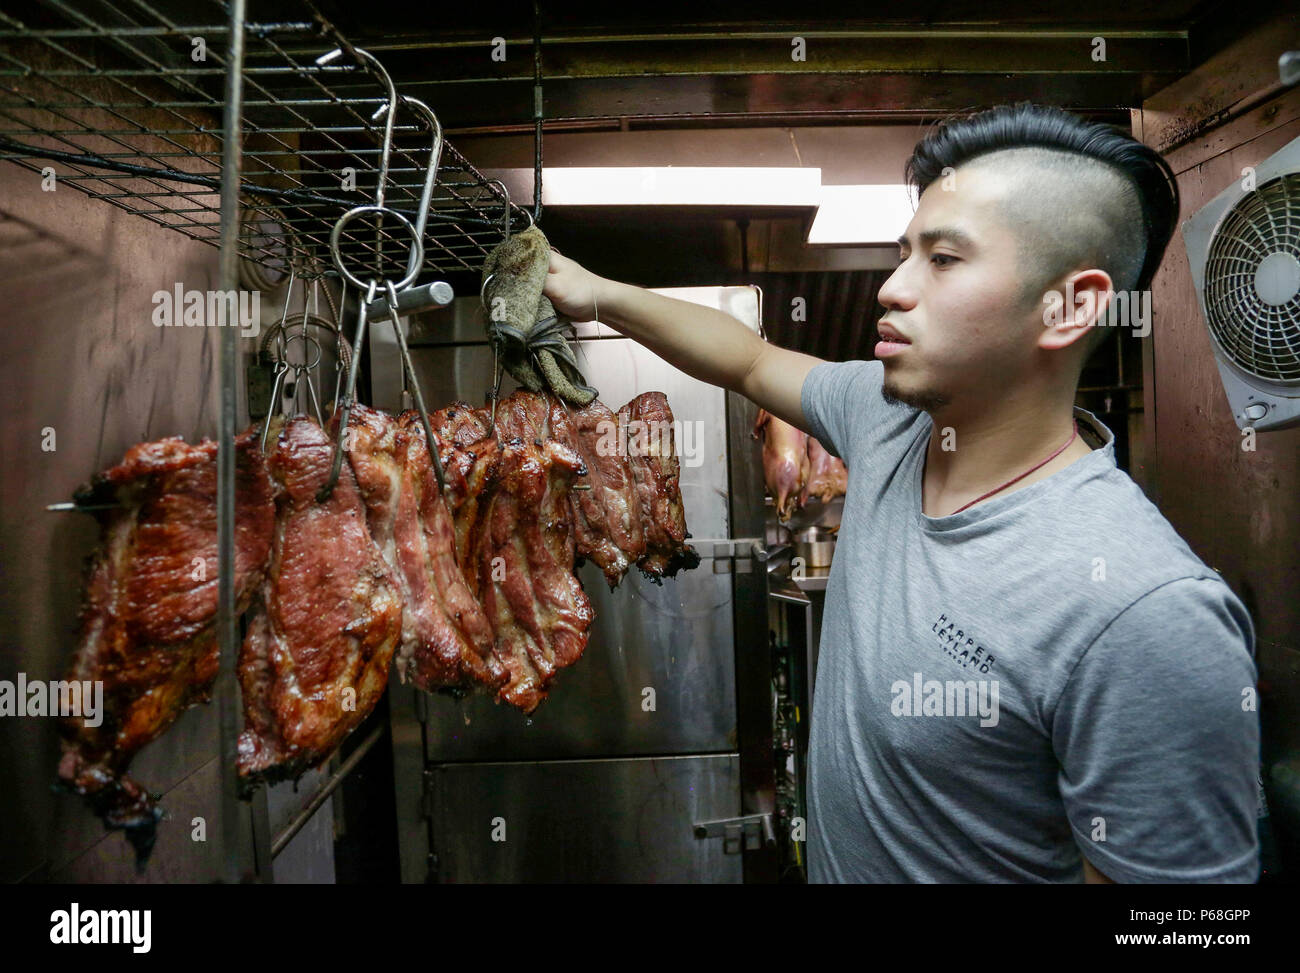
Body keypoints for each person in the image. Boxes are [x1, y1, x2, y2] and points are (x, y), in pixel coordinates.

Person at [541, 101, 1260, 883]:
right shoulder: (888, 421)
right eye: (903, 253)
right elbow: (747, 360)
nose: (890, 287)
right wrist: (595, 292)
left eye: (943, 259)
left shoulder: (1146, 609)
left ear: (1072, 305)